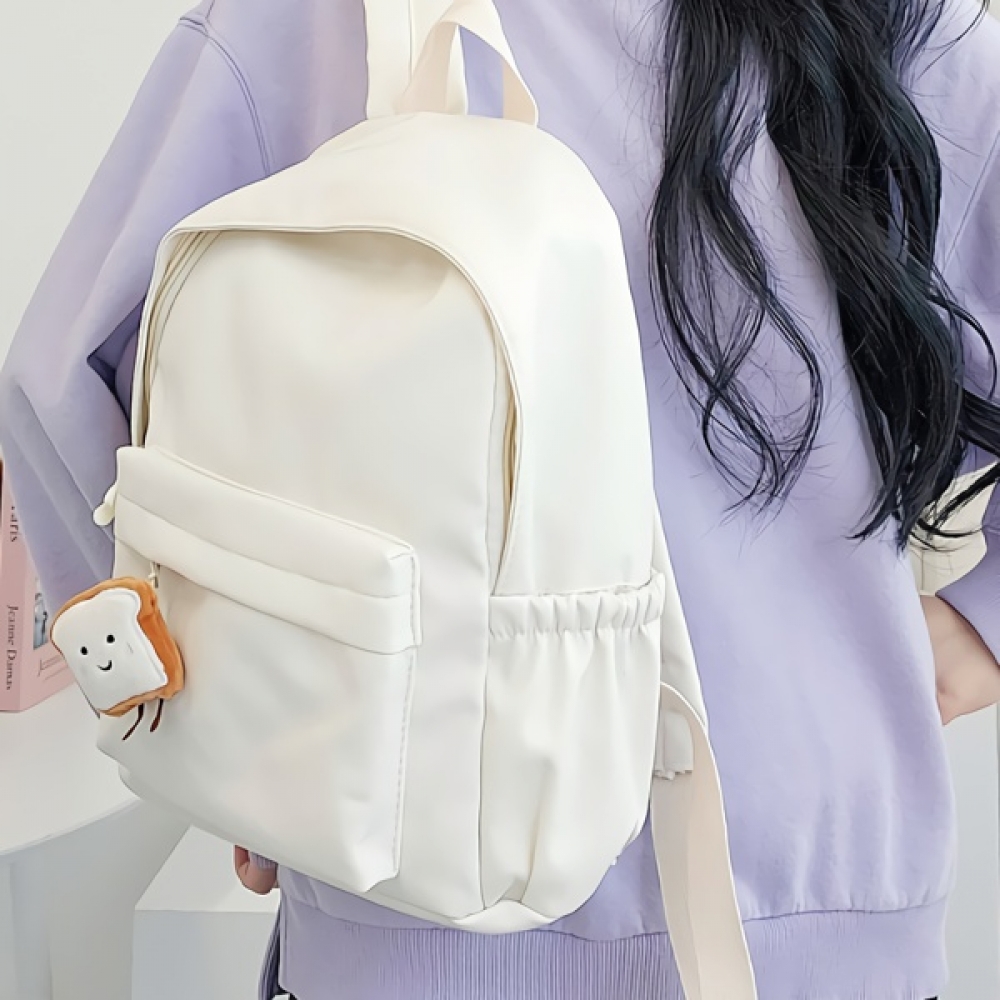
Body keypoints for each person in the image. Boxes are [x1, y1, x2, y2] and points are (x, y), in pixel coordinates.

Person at [4, 0, 1000, 996]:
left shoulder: (312, 19)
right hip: (820, 899)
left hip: (410, 882)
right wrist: (975, 627)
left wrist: (213, 701)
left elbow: (58, 377)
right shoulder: (910, 29)